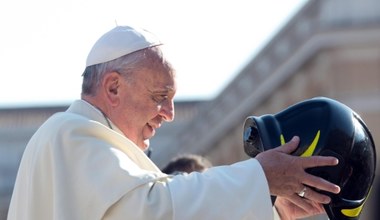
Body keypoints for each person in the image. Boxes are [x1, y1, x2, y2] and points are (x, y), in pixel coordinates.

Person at [7, 25, 341, 220]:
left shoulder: (90, 144)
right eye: (159, 96)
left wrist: (274, 211)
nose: (169, 112)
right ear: (113, 87)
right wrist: (259, 177)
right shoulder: (68, 135)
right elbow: (154, 209)